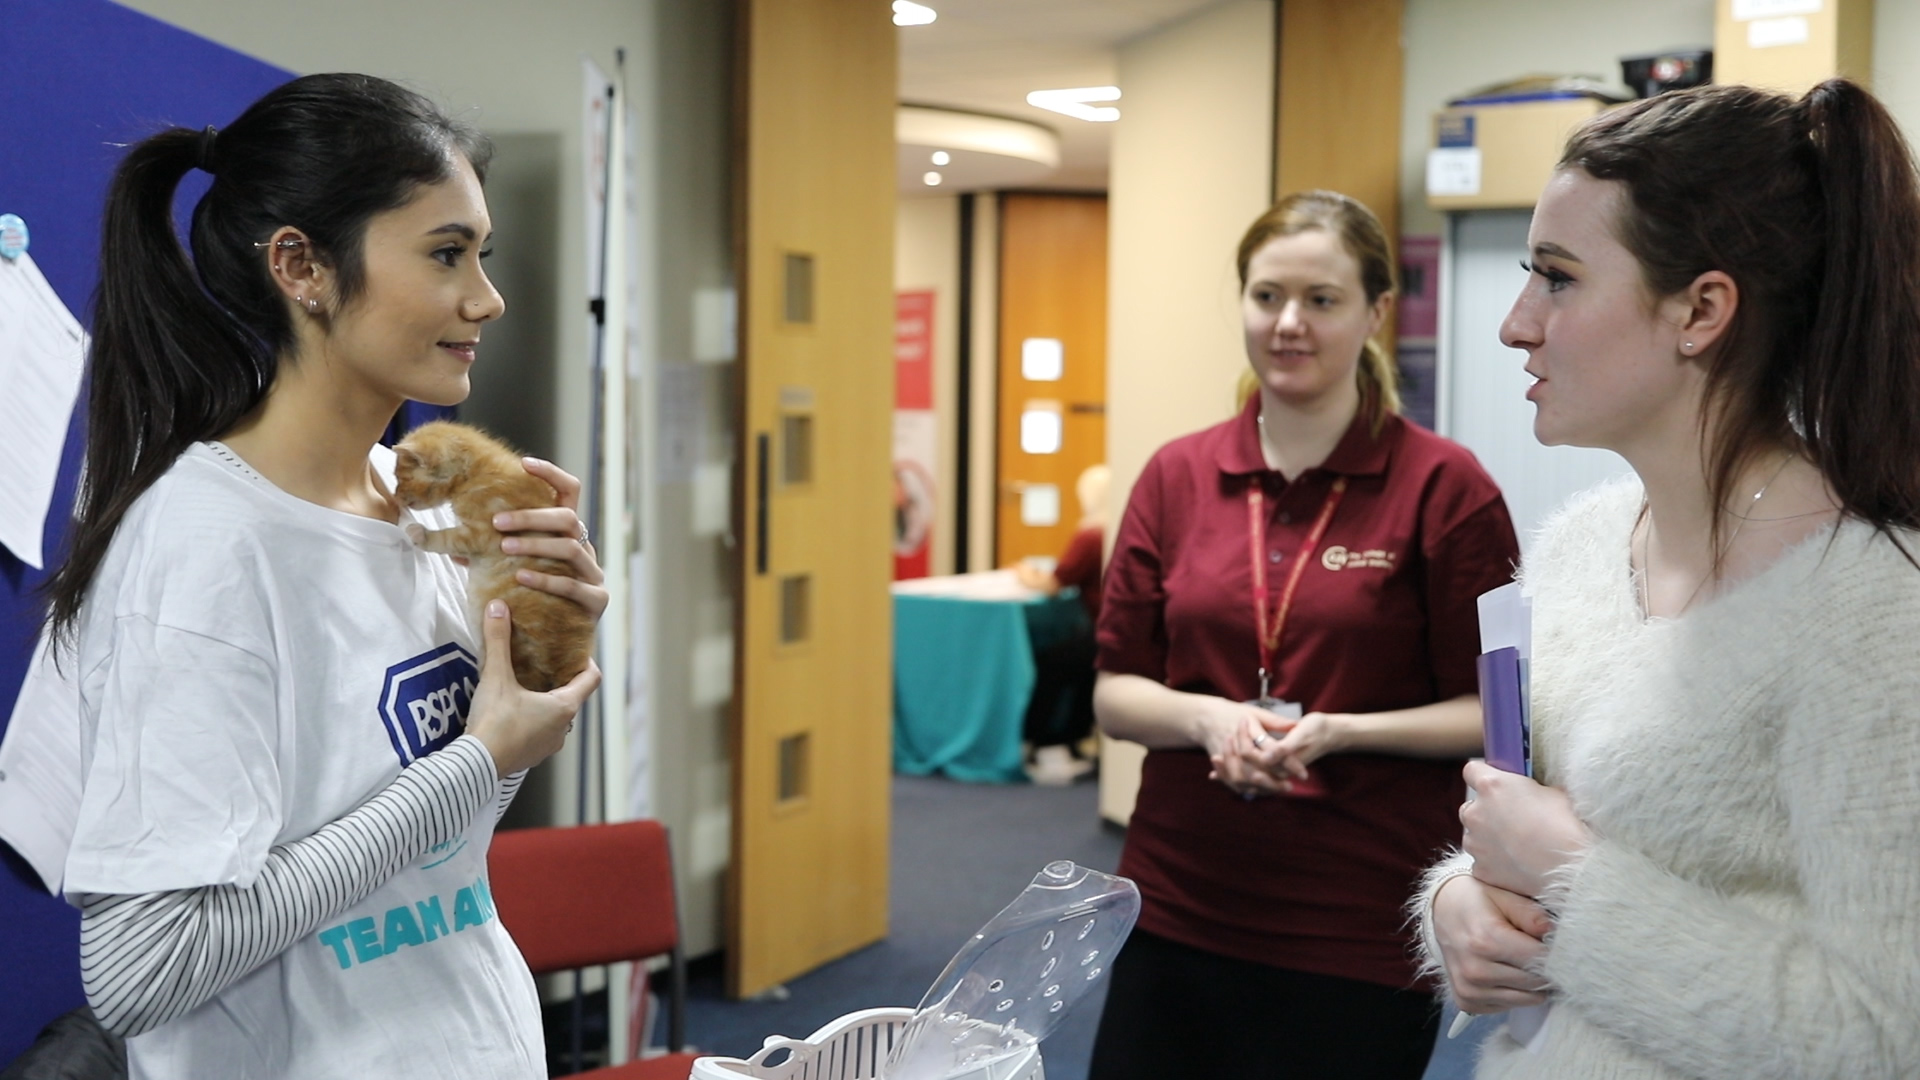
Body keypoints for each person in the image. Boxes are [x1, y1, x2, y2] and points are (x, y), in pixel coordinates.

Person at [39, 74, 605, 1078]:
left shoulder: (413, 498)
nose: (488, 297)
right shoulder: (205, 552)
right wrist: (476, 760)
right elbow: (140, 969)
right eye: (445, 254)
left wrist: (541, 648)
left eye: (482, 253)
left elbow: (435, 847)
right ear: (301, 265)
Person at [1415, 79, 1920, 1078]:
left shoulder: (1872, 611)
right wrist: (1455, 909)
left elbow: (1877, 1037)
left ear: (1700, 310)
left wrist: (1568, 882)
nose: (1518, 323)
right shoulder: (1581, 549)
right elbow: (1526, 836)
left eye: (1557, 278)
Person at [1086, 191, 1519, 1079]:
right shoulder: (1177, 474)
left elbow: (1498, 715)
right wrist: (1210, 720)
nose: (1289, 324)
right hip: (1179, 896)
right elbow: (1114, 692)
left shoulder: (1446, 487)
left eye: (1321, 300)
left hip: (1358, 913)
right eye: (1266, 296)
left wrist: (1344, 732)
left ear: (1376, 312)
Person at [1013, 464, 1110, 784]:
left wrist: (1024, 573)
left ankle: (1043, 741)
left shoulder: (1091, 534)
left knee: (1050, 665)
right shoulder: (1116, 529)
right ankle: (1073, 738)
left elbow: (1055, 583)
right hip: (1108, 632)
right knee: (1081, 666)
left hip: (1100, 632)